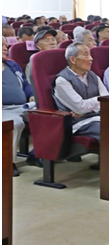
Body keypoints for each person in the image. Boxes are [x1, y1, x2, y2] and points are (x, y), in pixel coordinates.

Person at [53, 42, 108, 144]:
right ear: (73, 60)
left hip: (98, 117)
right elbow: (80, 107)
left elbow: (108, 100)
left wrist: (89, 109)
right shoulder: (62, 80)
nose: (91, 59)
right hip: (79, 123)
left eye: (90, 55)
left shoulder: (93, 76)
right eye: (86, 55)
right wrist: (99, 99)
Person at [2, 37, 34, 176]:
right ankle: (7, 162)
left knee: (48, 114)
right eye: (1, 45)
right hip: (4, 110)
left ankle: (38, 154)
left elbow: (25, 83)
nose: (5, 48)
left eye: (5, 45)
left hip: (23, 105)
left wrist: (31, 94)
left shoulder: (12, 64)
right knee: (15, 124)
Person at [26, 29, 58, 100]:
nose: (52, 43)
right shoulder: (33, 64)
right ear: (38, 45)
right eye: (47, 40)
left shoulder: (63, 59)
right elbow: (31, 85)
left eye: (53, 39)